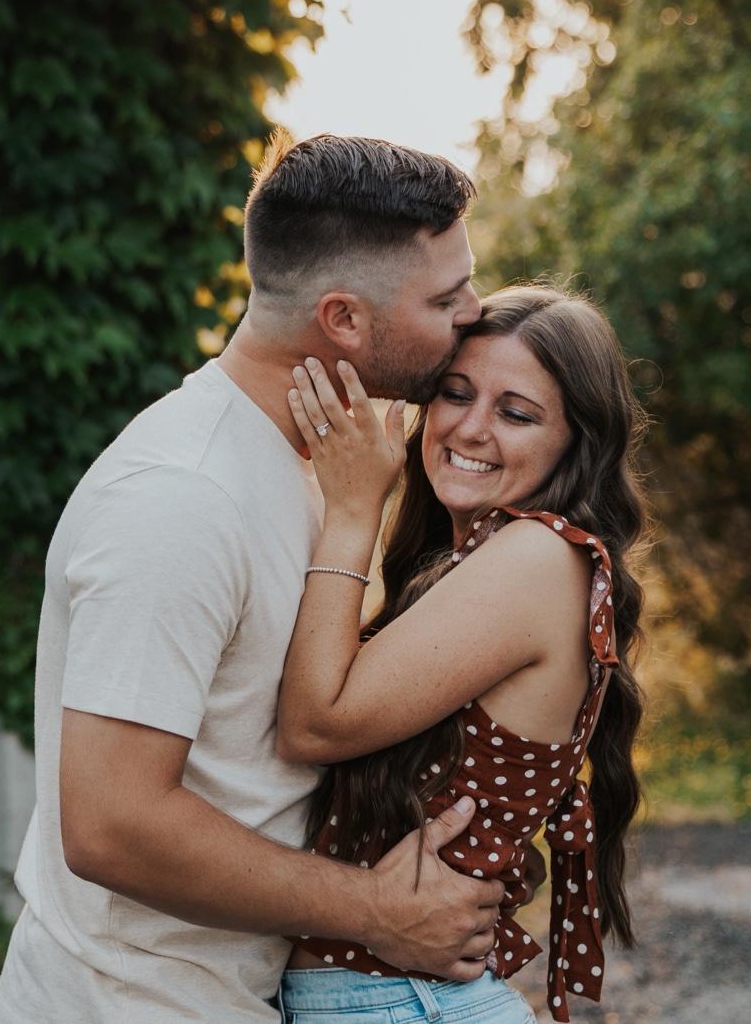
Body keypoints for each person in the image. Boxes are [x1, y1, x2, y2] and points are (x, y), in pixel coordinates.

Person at [0, 132, 508, 1024]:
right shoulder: (180, 499)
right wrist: (376, 911)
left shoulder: (325, 467)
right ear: (344, 320)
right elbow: (111, 825)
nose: (475, 312)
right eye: (445, 298)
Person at [275, 283, 648, 1023]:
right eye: (455, 394)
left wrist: (352, 509)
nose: (470, 428)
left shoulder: (538, 557)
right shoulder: (473, 563)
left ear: (577, 442)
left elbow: (314, 725)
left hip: (397, 1002)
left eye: (516, 413)